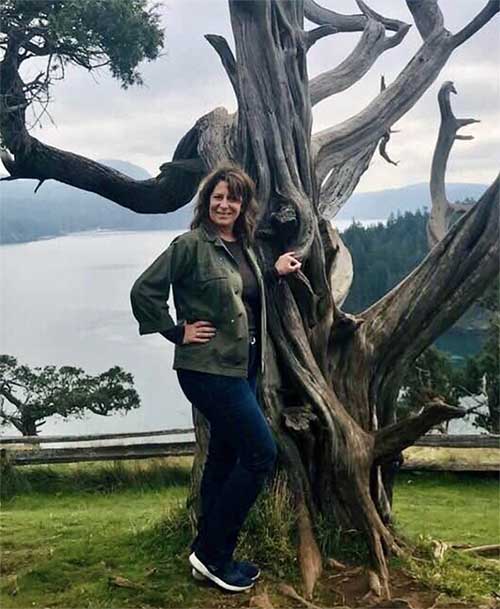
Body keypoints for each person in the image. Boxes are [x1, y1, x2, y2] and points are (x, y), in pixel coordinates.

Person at [130, 165, 302, 593]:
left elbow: (241, 293)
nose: (224, 205)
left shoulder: (243, 248)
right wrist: (175, 330)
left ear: (243, 206)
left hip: (241, 368)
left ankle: (209, 556)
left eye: (234, 199)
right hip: (206, 370)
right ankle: (211, 553)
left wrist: (274, 271)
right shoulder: (190, 245)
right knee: (261, 453)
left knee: (224, 458)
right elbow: (143, 290)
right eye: (218, 197)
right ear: (206, 201)